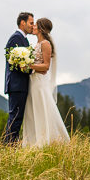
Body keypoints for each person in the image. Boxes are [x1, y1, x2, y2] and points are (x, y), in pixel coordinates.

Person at [21, 17, 70, 148]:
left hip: (40, 83)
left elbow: (46, 67)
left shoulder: (45, 44)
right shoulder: (37, 44)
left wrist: (29, 65)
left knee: (42, 109)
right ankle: (33, 141)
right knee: (32, 111)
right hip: (33, 82)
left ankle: (47, 140)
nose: (33, 27)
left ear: (41, 28)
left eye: (36, 25)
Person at [3, 12, 34, 143]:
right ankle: (9, 145)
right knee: (15, 117)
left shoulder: (24, 39)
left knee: (18, 117)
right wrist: (29, 68)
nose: (33, 26)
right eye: (31, 23)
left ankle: (11, 144)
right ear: (23, 23)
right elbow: (12, 62)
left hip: (21, 84)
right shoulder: (15, 38)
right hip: (17, 84)